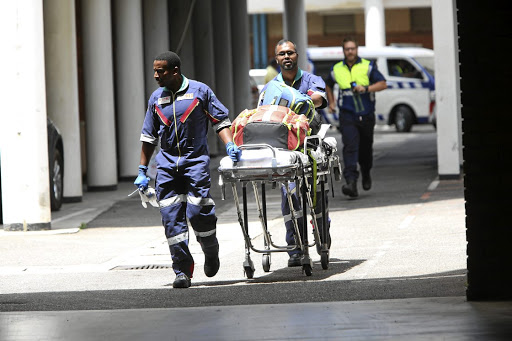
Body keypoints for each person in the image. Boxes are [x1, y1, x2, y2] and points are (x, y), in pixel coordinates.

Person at [134, 51, 241, 289]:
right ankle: (182, 271)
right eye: (154, 70)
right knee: (171, 219)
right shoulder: (156, 99)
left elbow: (220, 120)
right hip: (167, 166)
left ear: (175, 71)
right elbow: (148, 137)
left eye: (160, 71)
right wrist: (142, 170)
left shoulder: (200, 91)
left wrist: (230, 144)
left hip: (195, 163)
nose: (156, 75)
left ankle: (210, 249)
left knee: (198, 212)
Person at [258, 39, 329, 267]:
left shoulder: (311, 79)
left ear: (297, 55)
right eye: (282, 54)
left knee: (317, 197)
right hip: (285, 149)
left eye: (290, 53)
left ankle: (322, 239)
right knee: (291, 198)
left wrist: (299, 100)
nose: (286, 57)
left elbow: (319, 99)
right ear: (276, 58)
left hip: (310, 147)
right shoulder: (270, 87)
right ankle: (295, 247)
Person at [325, 37, 387, 199]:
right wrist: (331, 102)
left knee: (365, 149)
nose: (350, 51)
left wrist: (366, 88)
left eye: (352, 48)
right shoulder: (336, 68)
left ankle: (366, 171)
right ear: (343, 51)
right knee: (350, 147)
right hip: (347, 115)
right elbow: (328, 84)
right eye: (347, 49)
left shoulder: (368, 66)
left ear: (357, 50)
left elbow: (383, 84)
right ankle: (351, 182)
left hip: (366, 115)